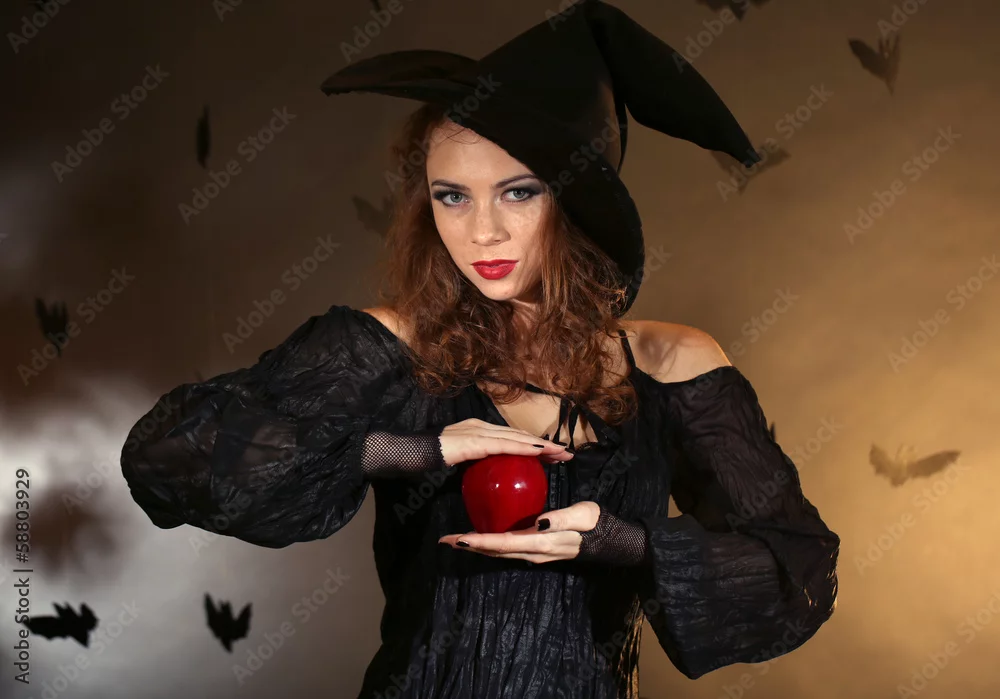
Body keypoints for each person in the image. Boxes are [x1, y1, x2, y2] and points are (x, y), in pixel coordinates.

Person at [120, 2, 840, 698]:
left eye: (518, 193)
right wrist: (414, 451)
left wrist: (619, 541)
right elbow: (167, 458)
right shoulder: (390, 345)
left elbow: (798, 576)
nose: (482, 231)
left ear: (577, 200)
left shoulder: (671, 363)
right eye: (452, 196)